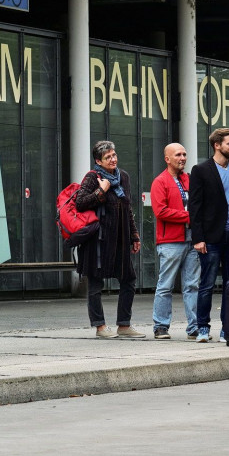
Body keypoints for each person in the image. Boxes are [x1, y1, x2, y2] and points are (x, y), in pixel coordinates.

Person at [74, 140, 144, 339]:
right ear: (98, 160)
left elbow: (127, 207)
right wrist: (101, 191)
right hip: (98, 240)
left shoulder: (123, 177)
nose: (113, 159)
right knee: (95, 284)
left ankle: (124, 324)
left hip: (120, 239)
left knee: (128, 279)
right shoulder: (92, 177)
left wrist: (134, 235)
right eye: (108, 157)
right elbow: (80, 203)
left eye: (114, 155)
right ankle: (100, 326)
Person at [189, 128, 229, 343]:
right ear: (217, 145)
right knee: (207, 283)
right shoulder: (201, 170)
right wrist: (198, 238)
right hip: (211, 237)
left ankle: (227, 328)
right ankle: (202, 327)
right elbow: (194, 207)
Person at [150, 143, 199, 340]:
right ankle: (160, 326)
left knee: (192, 285)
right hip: (170, 241)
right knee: (165, 285)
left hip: (192, 240)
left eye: (185, 154)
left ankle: (194, 327)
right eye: (178, 155)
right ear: (167, 159)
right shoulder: (160, 182)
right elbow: (160, 211)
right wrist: (189, 216)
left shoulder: (189, 180)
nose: (183, 158)